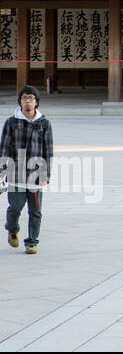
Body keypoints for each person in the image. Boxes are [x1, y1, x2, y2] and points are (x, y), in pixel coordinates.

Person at [2, 85, 52, 254]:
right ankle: (12, 228)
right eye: (25, 98)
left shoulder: (44, 123)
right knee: (15, 208)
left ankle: (32, 242)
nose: (28, 101)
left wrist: (46, 174)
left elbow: (48, 150)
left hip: (36, 175)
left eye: (31, 98)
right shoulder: (11, 122)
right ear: (20, 101)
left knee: (35, 211)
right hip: (16, 174)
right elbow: (4, 148)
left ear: (36, 102)